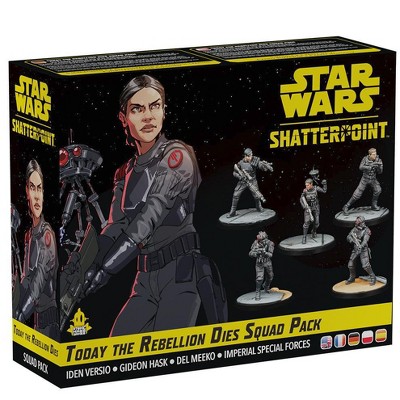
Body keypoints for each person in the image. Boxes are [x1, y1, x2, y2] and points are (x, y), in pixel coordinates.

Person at [83, 75, 227, 335]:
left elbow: (149, 217)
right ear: (123, 118)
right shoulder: (124, 173)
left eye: (155, 106)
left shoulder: (176, 156)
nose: (148, 116)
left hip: (181, 274)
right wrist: (89, 264)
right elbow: (115, 227)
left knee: (166, 349)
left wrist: (106, 269)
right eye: (137, 109)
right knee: (116, 347)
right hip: (144, 280)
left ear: (164, 110)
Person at [15, 160, 59, 340]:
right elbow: (27, 278)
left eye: (39, 188)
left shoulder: (46, 233)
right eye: (32, 188)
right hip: (36, 322)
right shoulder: (29, 235)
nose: (36, 196)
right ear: (27, 191)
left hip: (50, 324)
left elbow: (39, 279)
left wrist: (20, 314)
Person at [228, 148, 273, 217]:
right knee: (235, 195)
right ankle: (233, 212)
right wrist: (240, 177)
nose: (251, 157)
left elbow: (259, 165)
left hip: (252, 180)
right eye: (249, 156)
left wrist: (264, 166)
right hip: (243, 181)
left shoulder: (254, 161)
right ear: (245, 156)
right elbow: (234, 172)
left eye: (251, 155)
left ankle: (258, 207)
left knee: (256, 195)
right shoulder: (240, 163)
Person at [343, 148, 383, 215]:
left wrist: (379, 167)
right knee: (357, 194)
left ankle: (374, 205)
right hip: (365, 179)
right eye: (373, 154)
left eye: (375, 154)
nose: (375, 156)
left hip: (373, 179)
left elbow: (380, 172)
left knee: (378, 190)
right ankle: (346, 206)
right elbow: (360, 167)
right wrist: (369, 166)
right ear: (369, 155)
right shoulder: (365, 159)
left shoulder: (378, 160)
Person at [346, 216, 376, 285]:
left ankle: (373, 277)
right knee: (350, 265)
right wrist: (352, 240)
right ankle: (352, 278)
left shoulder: (366, 230)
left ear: (361, 222)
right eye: (356, 220)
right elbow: (348, 236)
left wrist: (361, 246)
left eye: (358, 221)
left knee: (366, 266)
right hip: (355, 249)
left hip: (363, 249)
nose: (356, 221)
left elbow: (365, 240)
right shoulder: (354, 229)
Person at [300, 177, 327, 244]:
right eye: (305, 185)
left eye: (307, 185)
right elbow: (301, 199)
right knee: (306, 222)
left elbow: (324, 191)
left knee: (317, 223)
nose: (306, 186)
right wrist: (304, 207)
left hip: (315, 207)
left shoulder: (316, 188)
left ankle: (314, 231)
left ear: (311, 184)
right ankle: (304, 237)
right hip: (308, 207)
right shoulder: (305, 191)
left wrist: (325, 184)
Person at [249, 231, 274, 301]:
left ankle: (266, 286)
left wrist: (265, 253)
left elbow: (271, 254)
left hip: (267, 262)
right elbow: (250, 253)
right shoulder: (255, 243)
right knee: (259, 278)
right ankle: (257, 292)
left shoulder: (270, 243)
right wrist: (256, 253)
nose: (257, 236)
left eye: (259, 235)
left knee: (270, 276)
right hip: (259, 263)